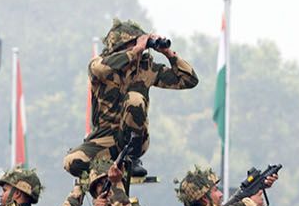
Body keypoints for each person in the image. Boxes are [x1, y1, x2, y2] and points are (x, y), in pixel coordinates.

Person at [64, 18, 198, 177]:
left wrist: (168, 53)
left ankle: (131, 159)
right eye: (132, 43)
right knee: (72, 161)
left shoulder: (146, 70)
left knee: (135, 99)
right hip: (104, 139)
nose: (139, 48)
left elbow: (189, 80)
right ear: (118, 47)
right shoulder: (99, 65)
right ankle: (108, 168)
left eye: (140, 43)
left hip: (135, 139)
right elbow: (102, 68)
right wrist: (135, 50)